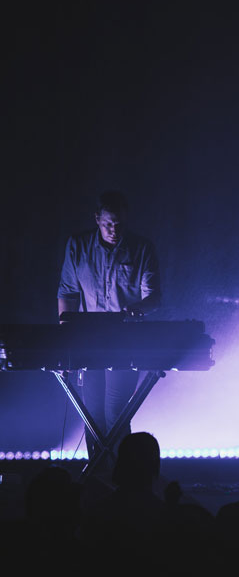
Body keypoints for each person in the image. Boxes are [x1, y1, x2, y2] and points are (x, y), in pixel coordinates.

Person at [56, 191, 161, 468]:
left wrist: (138, 309)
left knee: (116, 413)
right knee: (92, 414)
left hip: (125, 344)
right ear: (97, 219)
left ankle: (120, 476)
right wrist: (66, 341)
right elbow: (67, 293)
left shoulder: (142, 248)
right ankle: (101, 477)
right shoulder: (77, 246)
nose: (114, 230)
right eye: (108, 224)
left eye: (119, 225)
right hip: (89, 344)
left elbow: (154, 297)